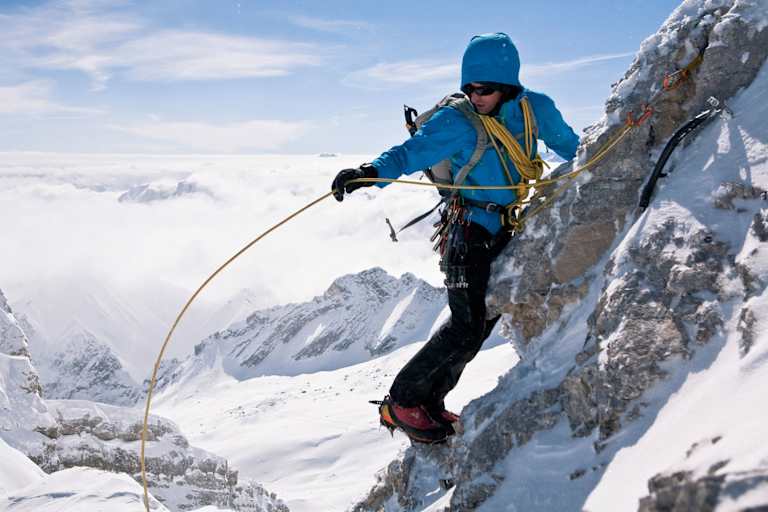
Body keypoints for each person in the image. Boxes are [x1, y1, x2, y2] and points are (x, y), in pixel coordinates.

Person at [332, 32, 579, 444]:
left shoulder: (536, 110)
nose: (474, 96)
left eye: (484, 89)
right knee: (467, 327)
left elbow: (573, 147)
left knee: (481, 322)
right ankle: (403, 401)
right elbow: (410, 153)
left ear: (509, 85)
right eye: (468, 88)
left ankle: (428, 403)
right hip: (467, 230)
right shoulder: (458, 120)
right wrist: (367, 172)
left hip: (504, 227)